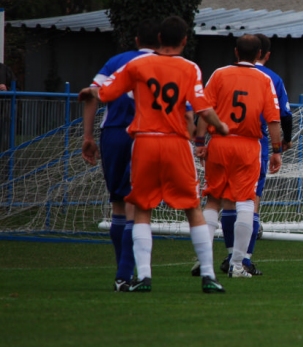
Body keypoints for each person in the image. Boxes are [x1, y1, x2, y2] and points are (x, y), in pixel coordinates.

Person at [79, 15, 229, 293]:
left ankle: (144, 278)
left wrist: (89, 91)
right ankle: (209, 276)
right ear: (185, 41)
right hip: (175, 143)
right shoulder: (190, 67)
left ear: (159, 39)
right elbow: (201, 107)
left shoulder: (137, 64)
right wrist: (220, 126)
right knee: (192, 208)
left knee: (143, 208)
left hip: (145, 142)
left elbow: (106, 93)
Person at [193, 34, 282, 278]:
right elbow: (273, 119)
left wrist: (200, 142)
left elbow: (204, 110)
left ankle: (205, 262)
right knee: (246, 201)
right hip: (248, 146)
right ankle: (237, 265)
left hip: (220, 143)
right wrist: (277, 150)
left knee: (213, 200)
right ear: (259, 54)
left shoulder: (219, 74)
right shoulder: (264, 79)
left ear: (235, 52)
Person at [81, 19, 158, 292]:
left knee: (117, 205)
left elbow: (92, 95)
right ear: (161, 41)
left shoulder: (117, 61)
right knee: (136, 206)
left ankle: (121, 273)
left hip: (113, 133)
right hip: (147, 136)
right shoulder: (167, 64)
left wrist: (88, 136)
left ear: (137, 40)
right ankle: (125, 274)